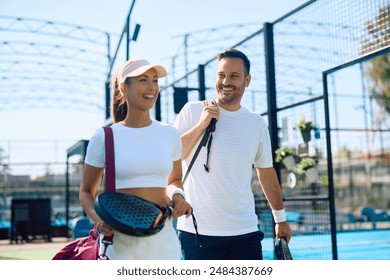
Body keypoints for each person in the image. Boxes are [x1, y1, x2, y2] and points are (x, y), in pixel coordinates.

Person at [173, 48, 293, 260]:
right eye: (221, 75)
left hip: (245, 234)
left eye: (234, 76)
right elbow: (172, 154)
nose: (226, 81)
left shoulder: (256, 123)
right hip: (197, 233)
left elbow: (266, 173)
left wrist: (280, 219)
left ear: (247, 80)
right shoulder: (192, 111)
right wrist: (202, 124)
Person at [79, 58, 192, 260]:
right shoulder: (104, 137)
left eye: (155, 80)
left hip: (164, 242)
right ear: (124, 87)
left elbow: (174, 180)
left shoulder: (170, 134)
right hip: (121, 247)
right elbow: (86, 191)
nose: (151, 87)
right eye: (143, 79)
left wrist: (178, 196)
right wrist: (98, 220)